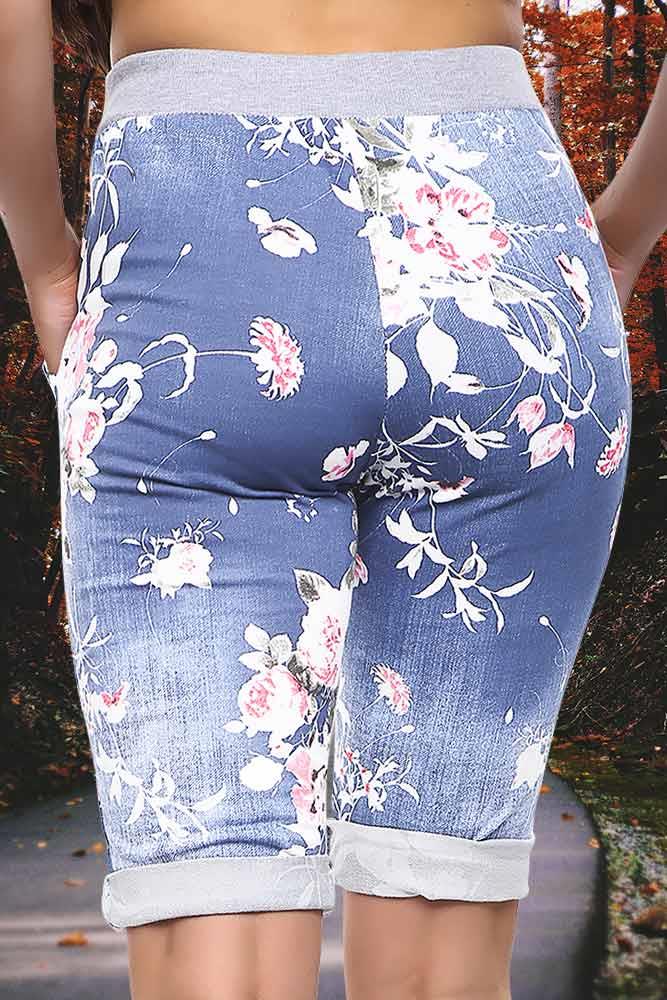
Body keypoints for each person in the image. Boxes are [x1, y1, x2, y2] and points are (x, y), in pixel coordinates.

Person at [1, 2, 665, 999]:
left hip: (198, 261)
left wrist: (47, 262)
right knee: (444, 921)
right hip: (497, 240)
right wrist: (622, 234)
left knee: (211, 894)